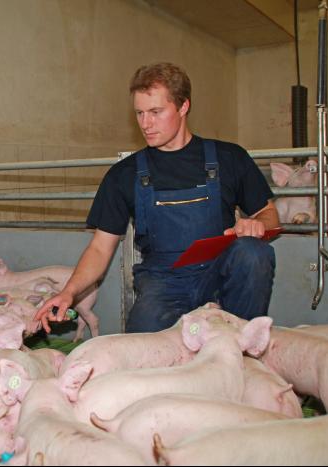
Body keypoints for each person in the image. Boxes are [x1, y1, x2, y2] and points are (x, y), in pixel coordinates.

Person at [34, 62, 279, 334]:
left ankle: (242, 343)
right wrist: (68, 293)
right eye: (139, 113)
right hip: (163, 283)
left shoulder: (229, 158)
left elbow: (269, 214)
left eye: (155, 112)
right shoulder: (123, 175)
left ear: (183, 106)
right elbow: (100, 248)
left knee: (253, 253)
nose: (145, 124)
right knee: (141, 347)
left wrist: (258, 225)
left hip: (218, 274)